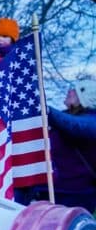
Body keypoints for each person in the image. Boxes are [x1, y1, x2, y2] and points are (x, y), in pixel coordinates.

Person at [19, 80, 96, 211]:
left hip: (74, 198)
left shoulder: (92, 120)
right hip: (43, 191)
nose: (69, 91)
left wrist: (45, 109)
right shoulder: (63, 117)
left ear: (85, 95)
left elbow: (75, 125)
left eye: (75, 90)